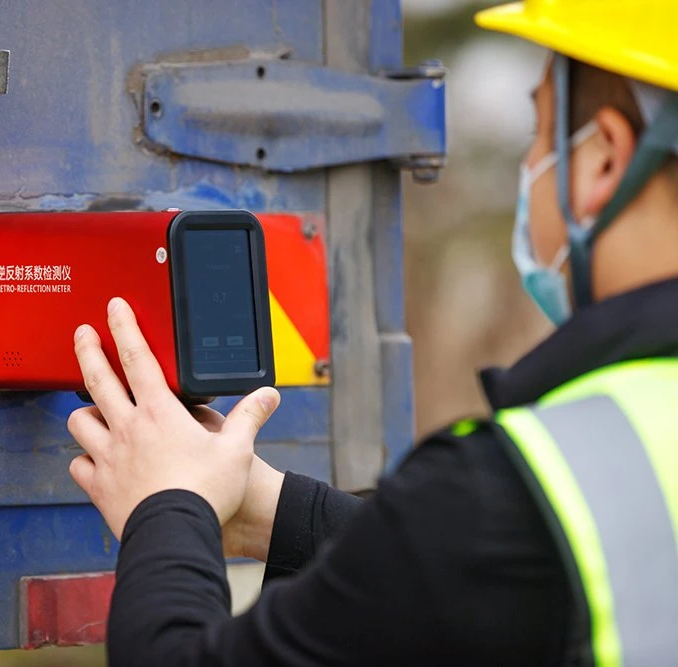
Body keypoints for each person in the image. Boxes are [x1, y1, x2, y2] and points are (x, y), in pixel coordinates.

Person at [65, 1, 678, 664]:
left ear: (605, 162)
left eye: (541, 131)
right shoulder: (545, 499)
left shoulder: (512, 490)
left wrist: (166, 503)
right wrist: (271, 511)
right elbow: (487, 579)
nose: (530, 162)